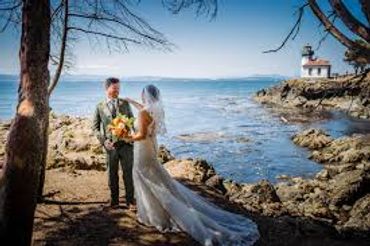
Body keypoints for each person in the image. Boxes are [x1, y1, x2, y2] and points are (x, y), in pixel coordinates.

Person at [125, 84, 260, 246]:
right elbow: (144, 113)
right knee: (155, 177)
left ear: (144, 96)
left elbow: (140, 135)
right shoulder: (155, 110)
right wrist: (131, 101)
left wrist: (126, 136)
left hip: (142, 148)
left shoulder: (143, 113)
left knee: (143, 176)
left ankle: (154, 215)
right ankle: (154, 211)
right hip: (151, 147)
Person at [92, 77, 135, 209]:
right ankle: (114, 201)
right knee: (112, 174)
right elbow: (95, 128)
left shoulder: (125, 104)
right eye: (115, 88)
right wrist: (104, 141)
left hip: (126, 145)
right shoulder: (99, 106)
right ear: (107, 88)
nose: (118, 91)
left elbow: (132, 121)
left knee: (128, 173)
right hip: (110, 147)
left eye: (119, 88)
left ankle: (130, 201)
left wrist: (133, 135)